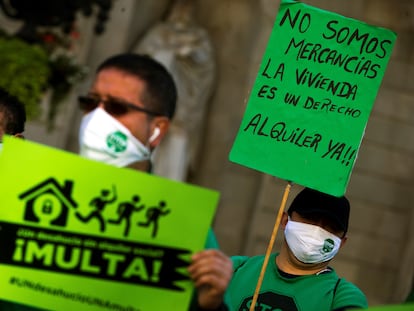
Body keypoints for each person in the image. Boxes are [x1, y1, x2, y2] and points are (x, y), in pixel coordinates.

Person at [77, 53, 232, 310]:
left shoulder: (185, 228)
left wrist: (210, 305)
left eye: (116, 107)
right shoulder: (29, 190)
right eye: (91, 103)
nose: (97, 118)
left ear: (157, 129)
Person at [223, 187, 368, 311]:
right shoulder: (234, 269)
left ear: (342, 242)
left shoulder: (343, 297)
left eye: (331, 227)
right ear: (285, 221)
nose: (317, 230)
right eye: (310, 218)